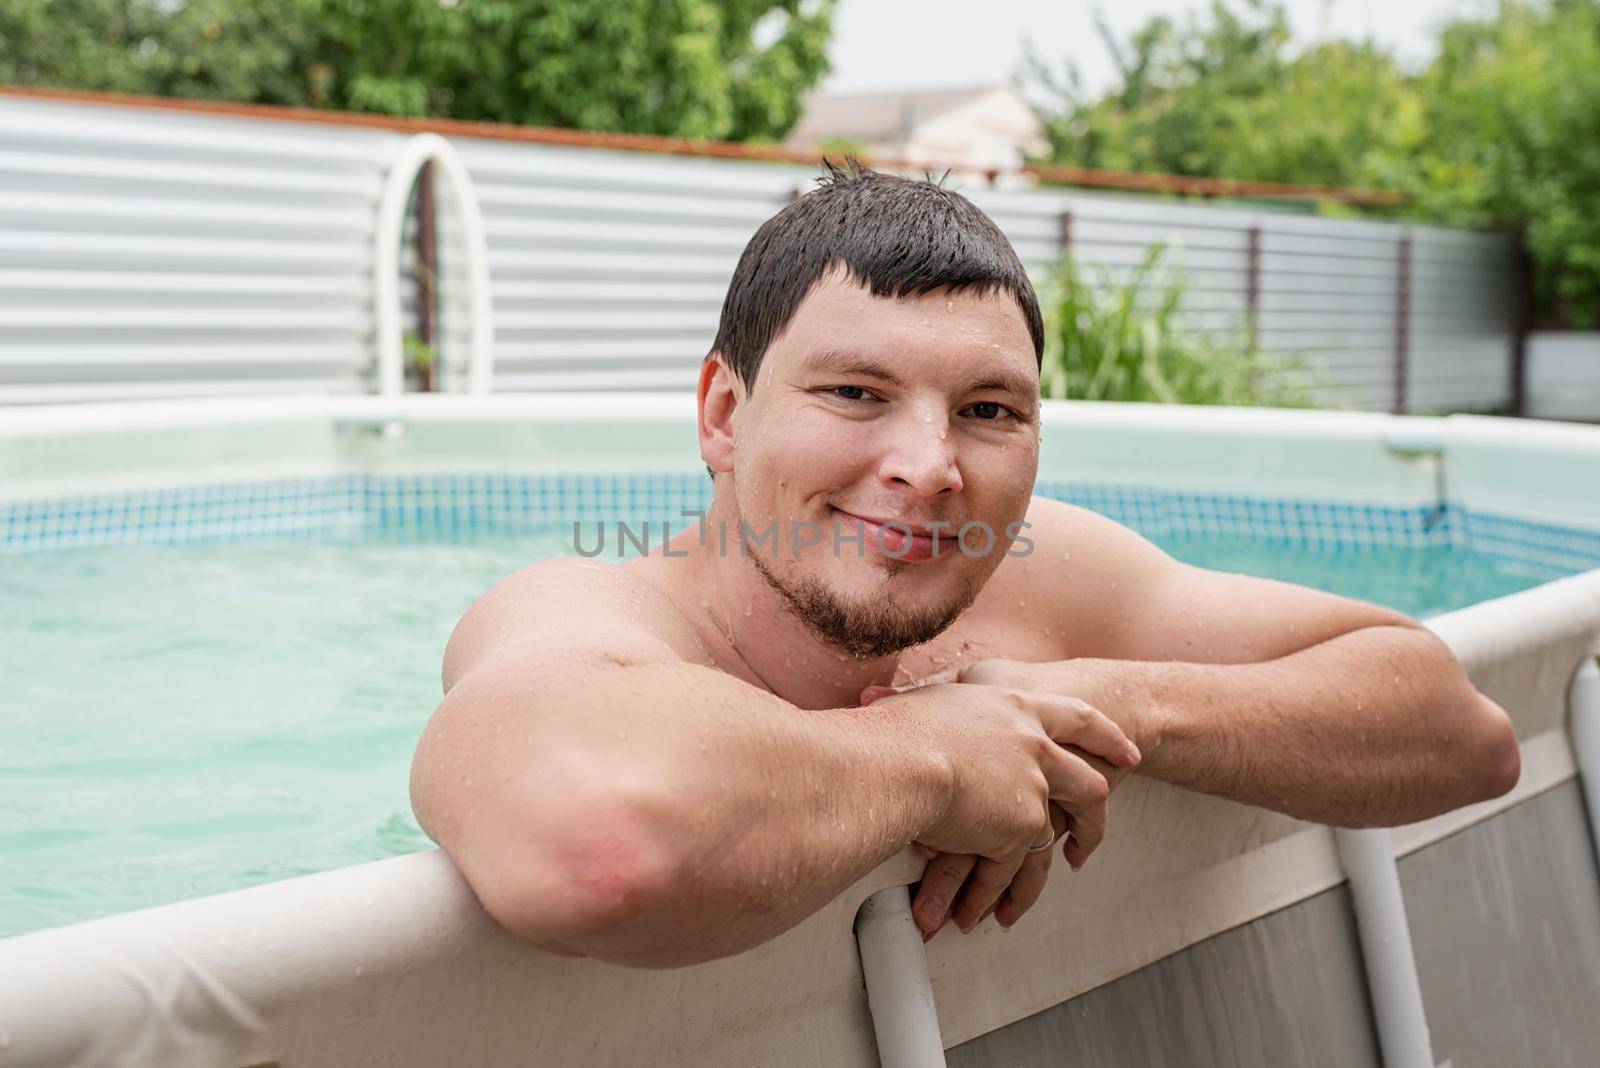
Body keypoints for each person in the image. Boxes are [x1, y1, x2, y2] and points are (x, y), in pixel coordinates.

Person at [409, 159, 1520, 970]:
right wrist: (933, 754)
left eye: (988, 411)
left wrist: (1105, 704)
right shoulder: (580, 612)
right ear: (722, 413)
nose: (929, 467)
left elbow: (1459, 731)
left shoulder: (1047, 584)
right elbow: (595, 843)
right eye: (855, 393)